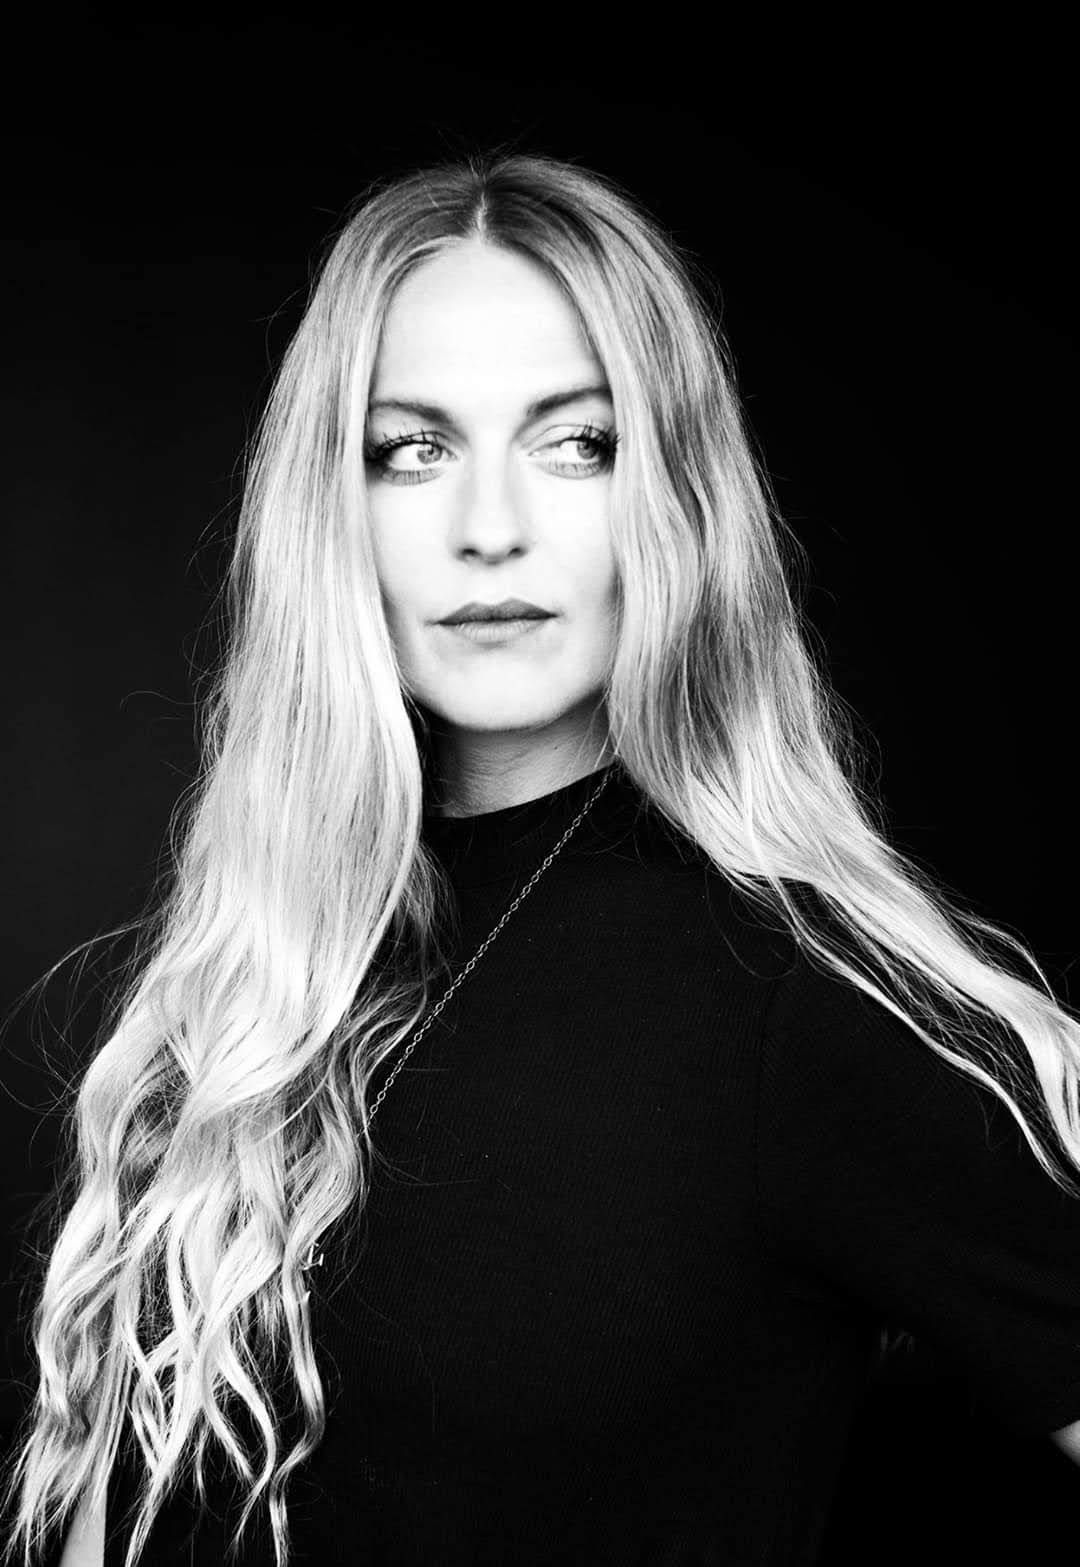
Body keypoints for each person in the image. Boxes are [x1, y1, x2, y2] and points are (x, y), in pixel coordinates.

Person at [4, 148, 1080, 1567]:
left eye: (577, 443)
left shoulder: (805, 1003)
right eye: (414, 450)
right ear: (335, 505)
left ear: (676, 497)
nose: (491, 529)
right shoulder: (254, 986)